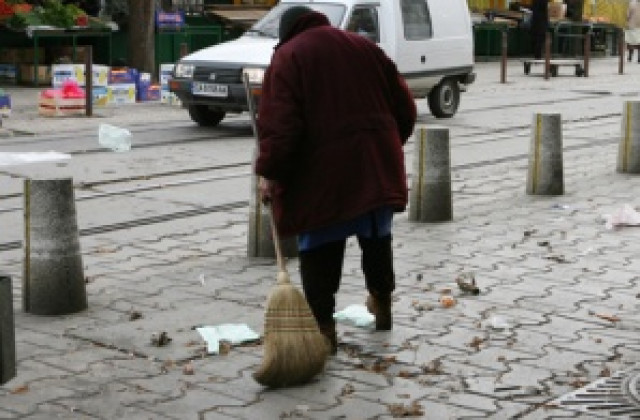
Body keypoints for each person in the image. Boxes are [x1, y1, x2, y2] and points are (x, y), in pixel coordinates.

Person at [254, 6, 417, 354]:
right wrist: (385, 144)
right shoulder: (364, 46)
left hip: (324, 174)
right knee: (377, 236)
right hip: (375, 164)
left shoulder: (288, 57)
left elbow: (280, 129)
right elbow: (405, 106)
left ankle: (324, 329)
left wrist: (270, 172)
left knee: (320, 245)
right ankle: (382, 302)